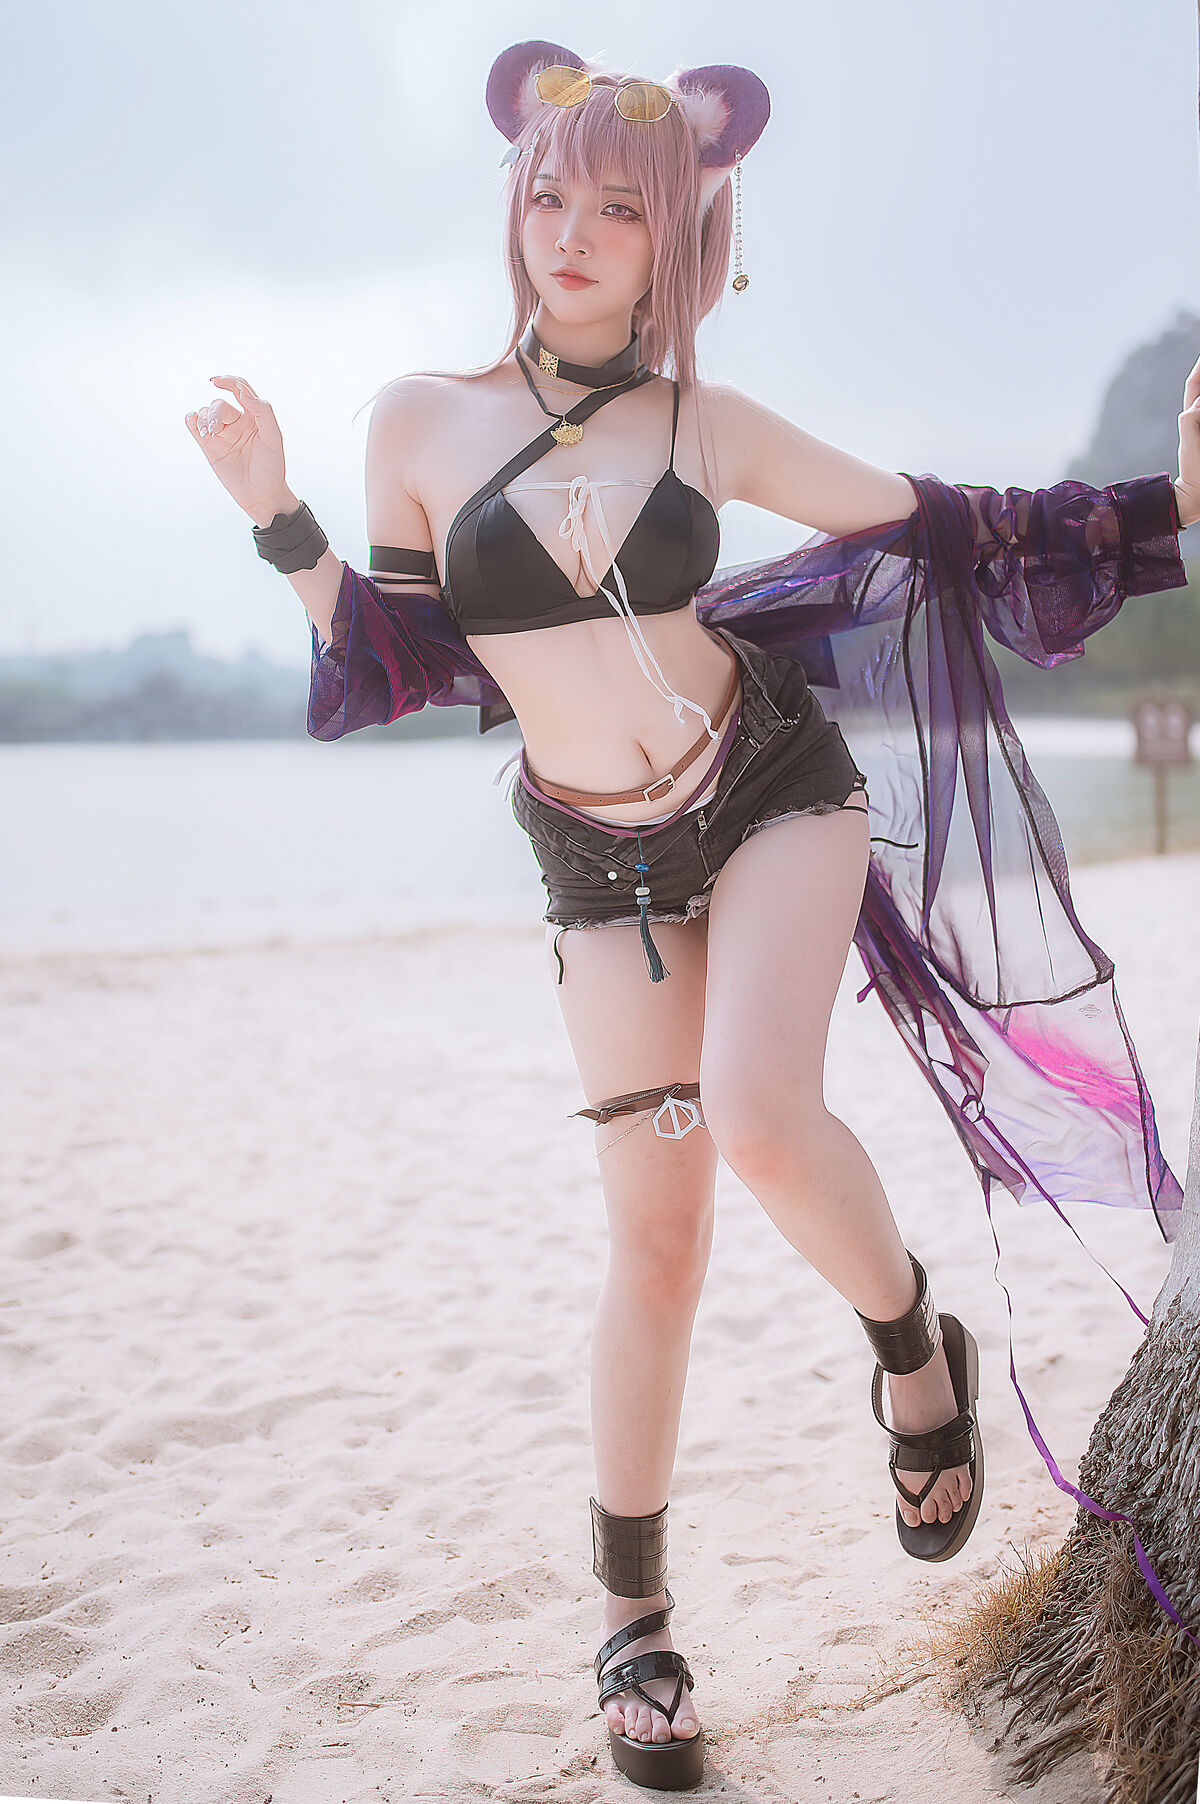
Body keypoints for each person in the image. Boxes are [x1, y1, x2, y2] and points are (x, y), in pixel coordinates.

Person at [186, 39, 1200, 1793]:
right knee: (652, 1241)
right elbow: (408, 660)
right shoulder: (416, 421)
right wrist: (277, 512)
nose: (571, 230)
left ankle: (909, 1352)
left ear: (679, 236)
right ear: (511, 205)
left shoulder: (701, 425)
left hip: (767, 788)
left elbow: (944, 523)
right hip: (596, 862)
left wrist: (1170, 504)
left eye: (618, 206)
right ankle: (636, 1624)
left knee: (758, 1115)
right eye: (548, 194)